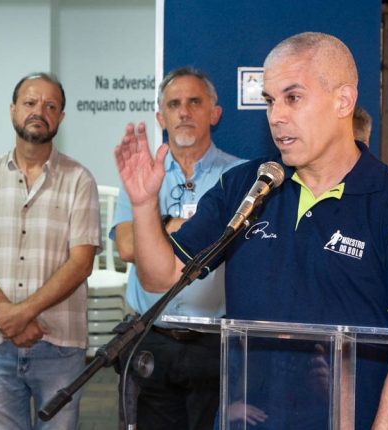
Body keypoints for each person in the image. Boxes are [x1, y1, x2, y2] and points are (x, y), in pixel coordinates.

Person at [114, 32, 388, 429]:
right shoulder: (244, 187)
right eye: (270, 101)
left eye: (293, 98)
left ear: (343, 100)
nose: (275, 116)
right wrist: (142, 204)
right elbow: (159, 276)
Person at [0, 72, 100, 429]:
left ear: (61, 117)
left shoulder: (79, 179)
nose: (40, 111)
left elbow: (81, 263)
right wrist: (11, 318)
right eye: (30, 103)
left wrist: (22, 314)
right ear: (13, 110)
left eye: (51, 106)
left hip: (59, 343)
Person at [111, 67, 244, 430]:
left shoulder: (240, 177)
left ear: (214, 113)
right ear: (161, 117)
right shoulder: (140, 175)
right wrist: (200, 227)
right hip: (152, 338)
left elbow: (237, 244)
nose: (184, 112)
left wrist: (156, 226)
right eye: (174, 104)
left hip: (214, 343)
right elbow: (126, 246)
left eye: (194, 102)